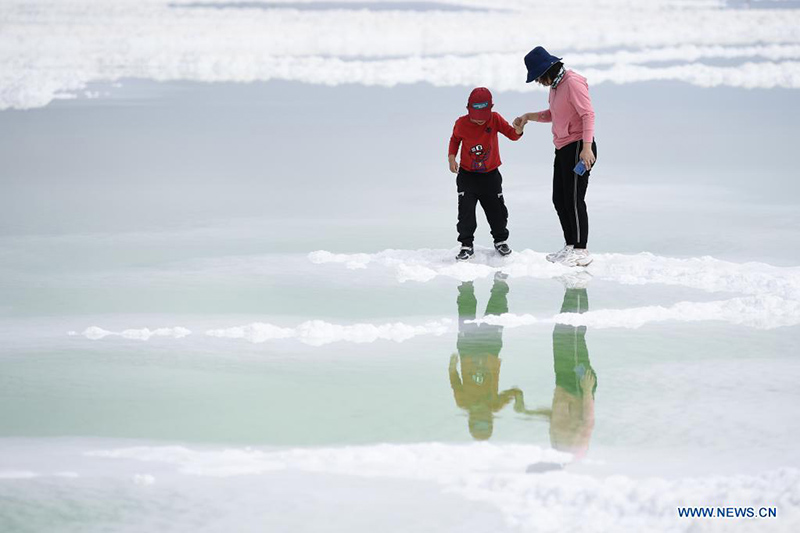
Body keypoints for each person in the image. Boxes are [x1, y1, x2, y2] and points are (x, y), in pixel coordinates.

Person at [514, 46, 598, 267]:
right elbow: (554, 114)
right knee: (559, 199)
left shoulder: (572, 82)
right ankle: (570, 245)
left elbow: (588, 114)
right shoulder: (556, 86)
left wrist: (587, 148)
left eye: (538, 77)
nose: (538, 82)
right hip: (562, 148)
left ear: (548, 70)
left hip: (579, 146)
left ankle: (581, 250)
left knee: (573, 198)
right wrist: (528, 117)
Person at [449, 273, 530, 440]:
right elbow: (516, 391)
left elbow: (455, 382)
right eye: (485, 419)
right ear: (490, 419)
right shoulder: (495, 405)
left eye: (478, 418)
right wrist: (520, 404)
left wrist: (452, 365)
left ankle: (466, 283)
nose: (481, 414)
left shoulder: (463, 402)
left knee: (466, 313)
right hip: (491, 350)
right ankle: (500, 283)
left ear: (471, 419)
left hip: (467, 349)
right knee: (496, 313)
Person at [448, 87, 524, 262]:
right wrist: (452, 158)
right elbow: (454, 140)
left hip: (491, 176)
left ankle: (500, 241)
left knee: (497, 211)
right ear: (468, 109)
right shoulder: (461, 123)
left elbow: (513, 135)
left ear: (490, 109)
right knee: (466, 212)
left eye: (483, 117)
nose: (480, 121)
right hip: (467, 176)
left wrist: (518, 129)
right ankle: (466, 245)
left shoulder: (495, 119)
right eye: (476, 117)